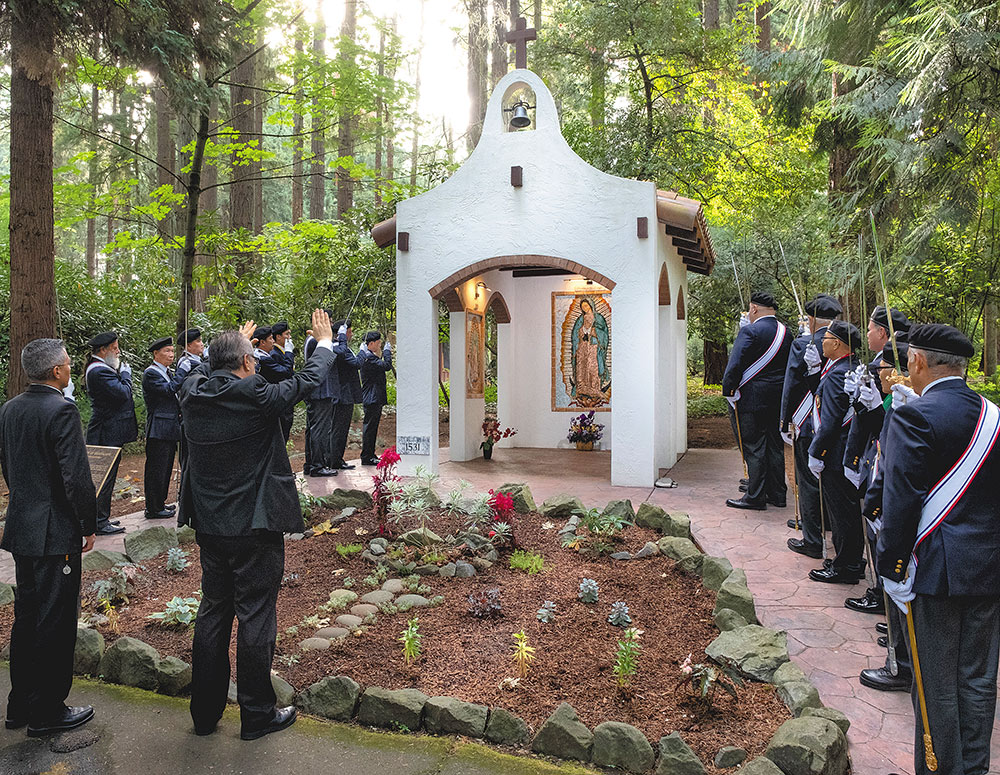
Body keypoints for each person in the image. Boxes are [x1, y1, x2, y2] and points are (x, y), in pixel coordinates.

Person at [178, 309, 336, 741]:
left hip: (209, 526)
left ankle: (205, 715)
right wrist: (325, 340)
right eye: (251, 358)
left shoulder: (190, 393)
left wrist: (235, 345)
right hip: (254, 526)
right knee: (255, 618)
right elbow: (307, 380)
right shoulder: (258, 397)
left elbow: (207, 372)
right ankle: (257, 716)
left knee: (212, 614)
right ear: (249, 364)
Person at [877, 323, 1000, 775]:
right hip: (989, 568)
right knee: (980, 679)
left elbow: (901, 500)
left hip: (935, 571)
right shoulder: (996, 416)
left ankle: (939, 769)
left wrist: (892, 568)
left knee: (935, 683)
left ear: (917, 362)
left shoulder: (914, 415)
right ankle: (973, 768)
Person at [0, 338, 97, 736]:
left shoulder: (9, 409)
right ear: (57, 371)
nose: (71, 368)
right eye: (69, 364)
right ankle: (48, 711)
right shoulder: (62, 409)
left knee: (27, 617)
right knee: (55, 622)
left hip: (23, 525)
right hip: (56, 532)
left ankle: (19, 705)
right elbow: (75, 476)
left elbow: (9, 466)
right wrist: (88, 525)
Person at [842, 306, 910, 615]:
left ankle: (887, 602)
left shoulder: (898, 367)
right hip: (874, 461)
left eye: (870, 329)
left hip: (888, 469)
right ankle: (880, 594)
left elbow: (890, 429)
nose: (867, 334)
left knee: (885, 539)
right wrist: (862, 402)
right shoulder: (881, 371)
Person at [856, 338, 913, 693]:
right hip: (888, 500)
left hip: (900, 511)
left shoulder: (909, 405)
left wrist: (874, 506)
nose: (879, 375)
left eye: (882, 370)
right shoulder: (896, 401)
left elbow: (895, 463)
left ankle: (902, 663)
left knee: (899, 582)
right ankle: (899, 649)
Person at [781, 293, 842, 558]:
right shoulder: (845, 341)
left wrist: (785, 419)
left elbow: (792, 384)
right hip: (834, 420)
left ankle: (811, 537)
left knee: (807, 480)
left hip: (807, 419)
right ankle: (825, 522)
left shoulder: (803, 343)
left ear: (811, 319)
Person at [806, 320, 865, 584]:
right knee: (845, 510)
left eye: (826, 338)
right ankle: (848, 560)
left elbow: (830, 421)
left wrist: (817, 452)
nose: (822, 342)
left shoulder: (840, 373)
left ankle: (846, 566)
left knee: (842, 512)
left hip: (836, 452)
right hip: (844, 451)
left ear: (838, 344)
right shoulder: (846, 367)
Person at [721, 291, 792, 510]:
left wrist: (728, 390)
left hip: (751, 398)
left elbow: (735, 363)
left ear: (753, 309)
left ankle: (756, 496)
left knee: (754, 446)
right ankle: (778, 493)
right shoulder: (786, 333)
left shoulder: (749, 331)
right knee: (774, 445)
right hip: (777, 398)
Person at [85, 331, 137, 535]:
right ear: (103, 350)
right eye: (114, 348)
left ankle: (102, 517)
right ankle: (98, 521)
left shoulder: (103, 368)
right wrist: (126, 375)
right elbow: (123, 394)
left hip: (110, 430)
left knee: (109, 476)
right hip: (105, 431)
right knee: (104, 477)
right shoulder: (99, 371)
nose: (118, 352)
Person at [141, 337, 185, 520]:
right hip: (158, 427)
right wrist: (182, 373)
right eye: (166, 351)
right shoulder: (151, 373)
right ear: (156, 354)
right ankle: (153, 507)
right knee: (156, 469)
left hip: (169, 427)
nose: (171, 355)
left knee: (166, 467)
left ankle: (159, 502)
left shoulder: (167, 372)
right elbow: (169, 390)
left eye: (172, 351)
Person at [303, 311, 339, 477]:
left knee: (313, 428)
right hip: (321, 391)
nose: (330, 325)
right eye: (328, 322)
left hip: (316, 391)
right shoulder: (315, 342)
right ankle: (317, 465)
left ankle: (311, 463)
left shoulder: (311, 340)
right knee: (319, 429)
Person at [329, 319, 363, 470]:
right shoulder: (338, 347)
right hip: (342, 394)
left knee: (342, 429)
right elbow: (356, 363)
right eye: (349, 331)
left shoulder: (343, 347)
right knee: (339, 429)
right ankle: (333, 459)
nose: (351, 334)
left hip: (346, 394)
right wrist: (363, 352)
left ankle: (337, 458)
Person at [358, 331, 393, 465]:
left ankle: (369, 454)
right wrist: (387, 353)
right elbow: (387, 366)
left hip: (373, 397)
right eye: (378, 343)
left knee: (372, 428)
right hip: (372, 398)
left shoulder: (370, 356)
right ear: (371, 344)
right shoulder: (369, 358)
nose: (379, 346)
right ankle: (367, 456)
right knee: (370, 428)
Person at [266, 321, 297, 443]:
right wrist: (289, 353)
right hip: (281, 397)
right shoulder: (275, 354)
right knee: (282, 431)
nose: (289, 338)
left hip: (288, 397)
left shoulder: (282, 352)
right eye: (286, 334)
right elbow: (286, 372)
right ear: (278, 336)